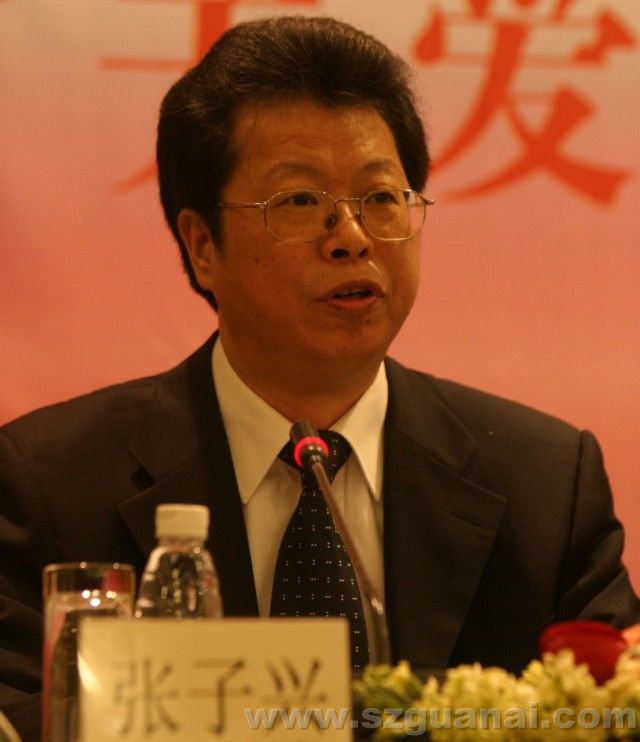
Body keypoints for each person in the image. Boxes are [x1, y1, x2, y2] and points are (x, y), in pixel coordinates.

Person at [1, 15, 638, 741]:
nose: (352, 238)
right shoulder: (50, 486)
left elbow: (614, 710)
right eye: (300, 202)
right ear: (202, 245)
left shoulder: (545, 487)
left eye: (382, 198)